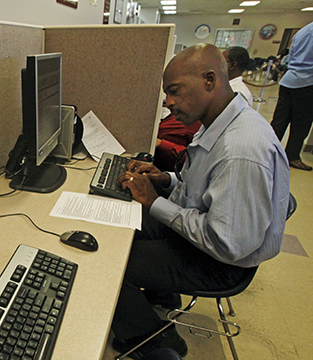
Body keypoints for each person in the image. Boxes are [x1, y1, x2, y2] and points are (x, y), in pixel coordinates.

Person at [109, 44, 290, 359]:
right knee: (122, 223)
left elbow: (228, 242)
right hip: (212, 239)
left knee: (115, 263)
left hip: (221, 262)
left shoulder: (241, 149)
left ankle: (156, 341)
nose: (168, 102)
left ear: (210, 80)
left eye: (174, 91)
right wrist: (166, 180)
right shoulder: (220, 123)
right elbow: (208, 191)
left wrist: (156, 203)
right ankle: (163, 297)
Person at [271, 21, 313, 171]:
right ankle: (292, 155)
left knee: (279, 119)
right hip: (307, 82)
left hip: (289, 79)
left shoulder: (302, 31)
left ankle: (268, 149)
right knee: (301, 123)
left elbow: (289, 56)